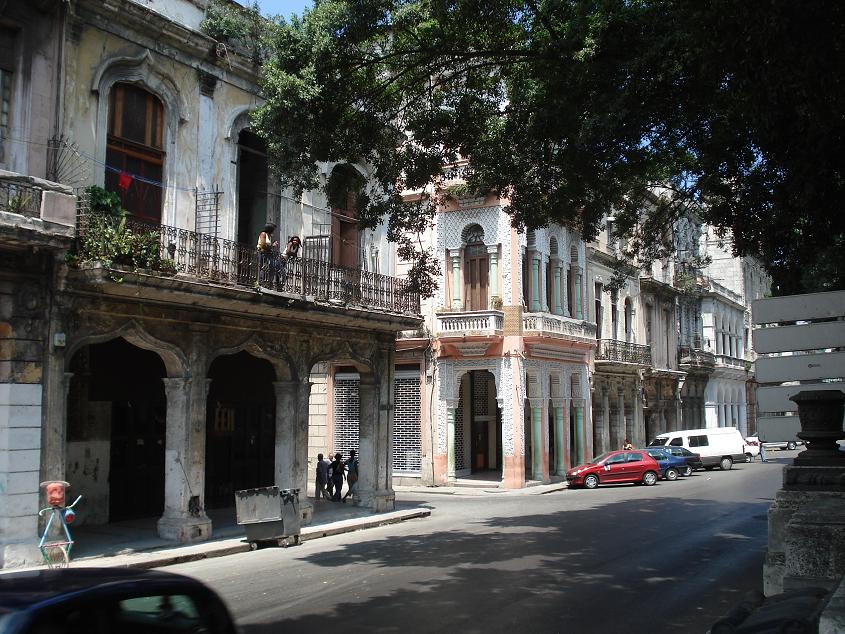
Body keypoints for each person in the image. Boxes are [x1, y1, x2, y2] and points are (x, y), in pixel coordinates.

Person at [256, 223, 280, 287]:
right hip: (262, 253)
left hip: (267, 253)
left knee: (269, 267)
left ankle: (268, 282)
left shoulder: (268, 235)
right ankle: (260, 282)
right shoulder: (263, 234)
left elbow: (268, 245)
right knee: (262, 267)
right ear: (270, 229)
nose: (274, 230)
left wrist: (272, 245)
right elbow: (263, 245)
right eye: (273, 229)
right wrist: (272, 245)